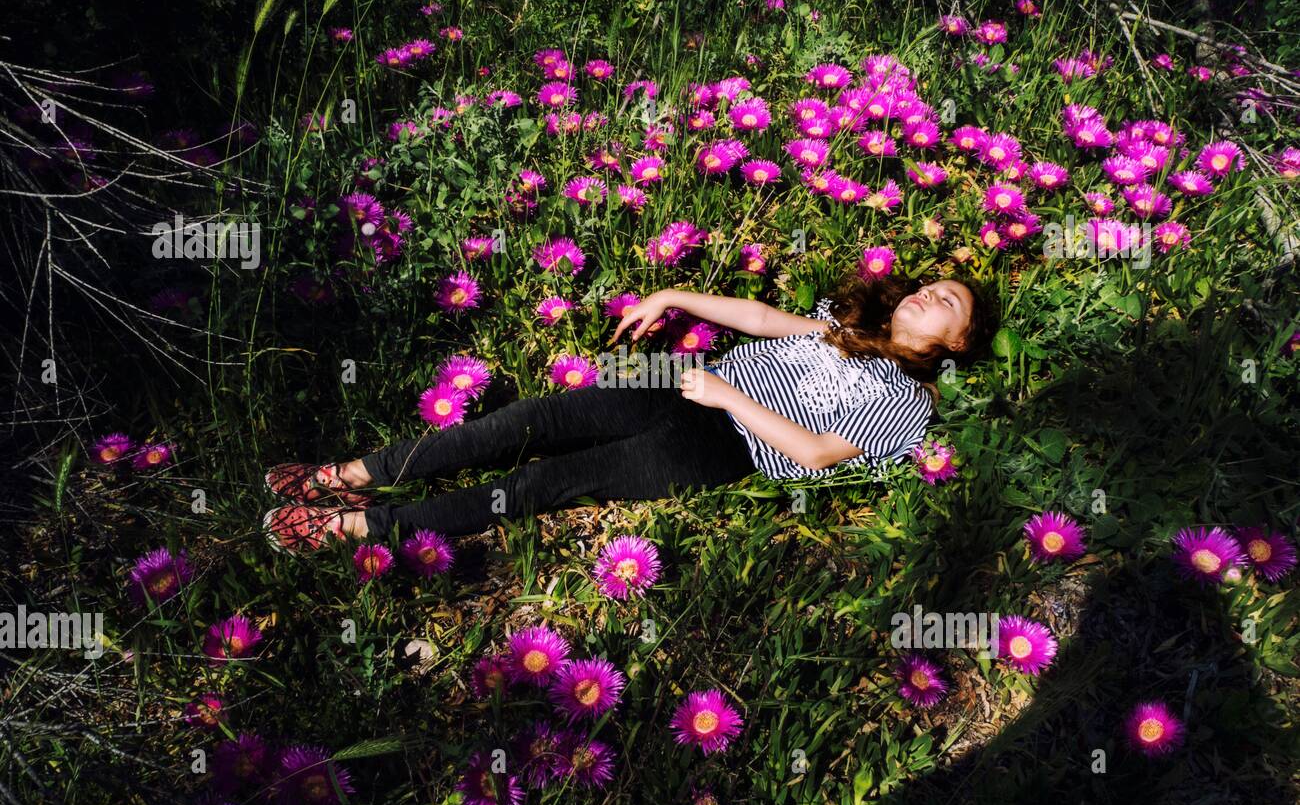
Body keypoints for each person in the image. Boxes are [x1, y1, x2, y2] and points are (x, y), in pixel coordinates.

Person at [261, 275, 997, 553]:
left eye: (949, 302)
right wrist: (675, 296)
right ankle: (350, 472)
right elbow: (759, 314)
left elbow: (819, 453)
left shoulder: (907, 402)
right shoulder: (843, 322)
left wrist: (727, 397)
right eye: (931, 285)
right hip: (679, 379)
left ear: (956, 343)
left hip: (716, 445)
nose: (930, 294)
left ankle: (355, 527)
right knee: (521, 421)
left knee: (541, 485)